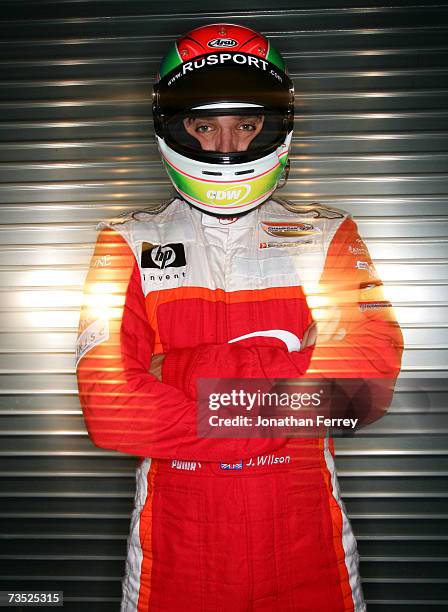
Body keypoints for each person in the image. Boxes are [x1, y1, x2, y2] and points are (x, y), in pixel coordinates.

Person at [76, 23, 403, 612]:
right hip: (173, 553)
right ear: (175, 128)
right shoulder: (126, 242)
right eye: (204, 126)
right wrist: (289, 367)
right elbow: (110, 407)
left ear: (274, 127)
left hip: (310, 550)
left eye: (246, 124)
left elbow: (361, 390)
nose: (225, 145)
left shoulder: (330, 234)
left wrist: (180, 371)